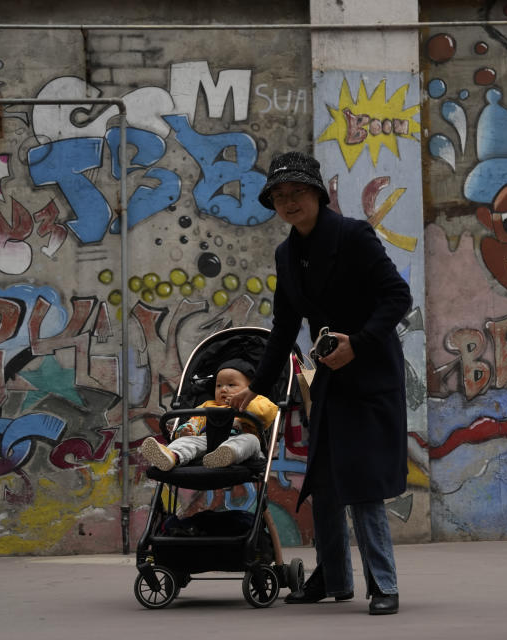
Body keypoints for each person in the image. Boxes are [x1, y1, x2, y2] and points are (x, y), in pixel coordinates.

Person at [230, 151, 411, 615]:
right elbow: (284, 326)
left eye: (296, 193)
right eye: (279, 196)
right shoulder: (286, 255)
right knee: (325, 479)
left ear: (318, 194)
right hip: (328, 377)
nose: (288, 203)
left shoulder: (353, 236)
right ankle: (332, 577)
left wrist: (361, 342)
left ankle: (384, 584)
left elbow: (397, 296)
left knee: (363, 482)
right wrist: (257, 387)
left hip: (370, 374)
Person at [139, 359, 278, 470]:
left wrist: (245, 403)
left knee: (250, 441)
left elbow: (267, 414)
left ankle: (228, 453)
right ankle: (171, 456)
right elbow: (195, 422)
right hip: (209, 442)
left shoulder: (257, 400)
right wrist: (186, 431)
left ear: (250, 387)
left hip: (243, 443)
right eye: (218, 385)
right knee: (187, 442)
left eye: (231, 385)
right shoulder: (207, 405)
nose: (223, 389)